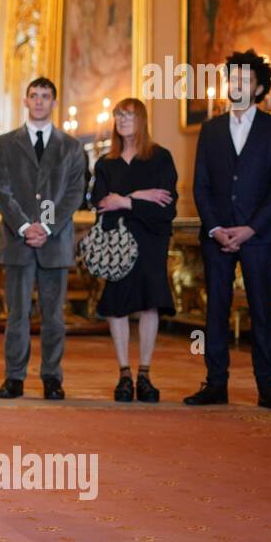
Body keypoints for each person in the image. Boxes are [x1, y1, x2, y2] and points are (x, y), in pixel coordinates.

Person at [186, 49, 271, 410]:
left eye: (245, 79)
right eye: (233, 78)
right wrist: (215, 228)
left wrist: (249, 229)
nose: (237, 84)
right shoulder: (211, 129)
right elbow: (200, 186)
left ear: (259, 87)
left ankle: (267, 386)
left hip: (258, 237)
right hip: (216, 236)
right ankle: (215, 383)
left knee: (262, 310)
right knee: (215, 310)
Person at [0, 77, 89, 400]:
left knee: (54, 316)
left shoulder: (72, 147)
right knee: (17, 314)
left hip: (54, 242)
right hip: (17, 243)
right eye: (34, 96)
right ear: (25, 100)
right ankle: (14, 378)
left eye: (45, 96)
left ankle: (51, 378)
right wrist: (24, 227)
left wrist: (46, 227)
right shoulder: (5, 143)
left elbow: (75, 193)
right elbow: (1, 191)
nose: (39, 101)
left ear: (54, 102)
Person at [90, 98, 178, 402]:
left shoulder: (160, 158)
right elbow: (101, 205)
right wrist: (140, 197)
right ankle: (124, 374)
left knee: (149, 304)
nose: (122, 119)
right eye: (118, 115)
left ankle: (145, 374)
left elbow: (166, 209)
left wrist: (125, 200)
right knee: (117, 306)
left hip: (152, 241)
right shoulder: (105, 163)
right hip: (116, 244)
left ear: (141, 119)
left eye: (128, 114)